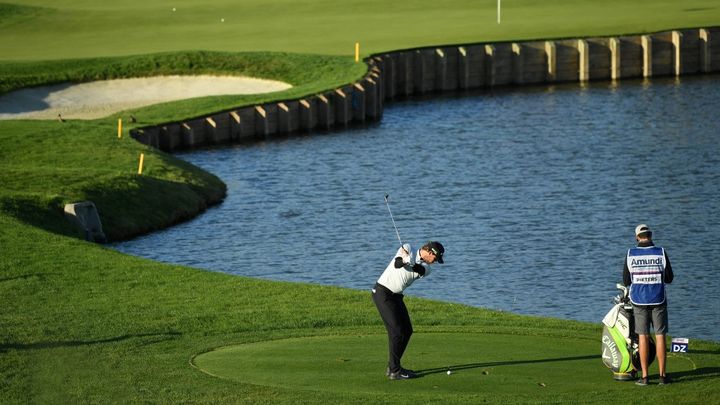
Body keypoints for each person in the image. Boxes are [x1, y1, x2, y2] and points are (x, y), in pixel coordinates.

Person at [372, 241, 445, 380]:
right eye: (435, 258)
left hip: (397, 297)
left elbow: (419, 269)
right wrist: (406, 259)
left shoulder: (427, 268)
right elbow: (397, 264)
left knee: (407, 330)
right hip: (383, 293)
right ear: (430, 253)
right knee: (397, 331)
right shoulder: (407, 248)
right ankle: (395, 370)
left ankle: (393, 366)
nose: (434, 262)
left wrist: (412, 262)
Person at [623, 224, 674, 386]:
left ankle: (645, 377)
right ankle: (662, 376)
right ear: (650, 236)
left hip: (639, 300)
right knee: (660, 336)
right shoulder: (661, 252)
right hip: (658, 299)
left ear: (637, 237)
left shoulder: (631, 254)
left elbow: (626, 280)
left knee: (643, 336)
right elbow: (669, 278)